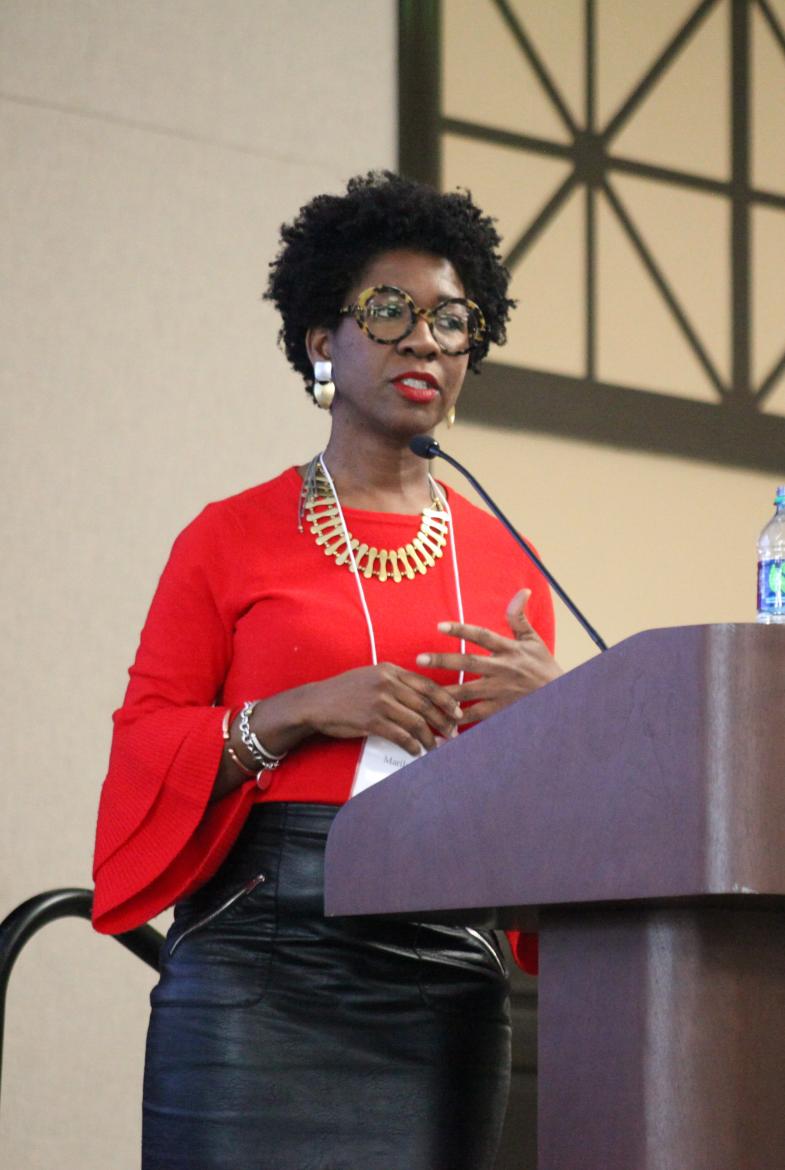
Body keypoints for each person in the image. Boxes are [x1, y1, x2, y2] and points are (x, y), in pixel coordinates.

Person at [92, 171, 561, 1170]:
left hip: (442, 977)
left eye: (450, 320)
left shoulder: (505, 559)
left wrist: (553, 719)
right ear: (321, 341)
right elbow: (145, 744)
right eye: (388, 312)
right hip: (259, 958)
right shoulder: (228, 537)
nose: (423, 341)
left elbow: (538, 822)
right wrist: (299, 710)